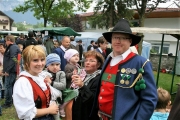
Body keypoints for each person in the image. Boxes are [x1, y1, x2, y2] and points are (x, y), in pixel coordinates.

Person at [94, 18, 158, 120]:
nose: (118, 41)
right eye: (115, 37)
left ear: (130, 41)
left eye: (123, 38)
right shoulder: (108, 59)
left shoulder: (141, 63)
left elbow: (149, 99)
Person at [13, 45, 59, 120]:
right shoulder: (23, 82)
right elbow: (26, 113)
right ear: (27, 63)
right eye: (35, 60)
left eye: (42, 59)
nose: (40, 64)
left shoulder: (41, 76)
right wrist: (49, 110)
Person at [71, 50, 104, 120]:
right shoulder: (85, 75)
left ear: (98, 65)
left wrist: (82, 86)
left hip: (88, 115)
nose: (87, 63)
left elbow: (92, 99)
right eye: (86, 60)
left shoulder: (99, 78)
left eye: (92, 61)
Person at [62, 49, 86, 119]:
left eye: (77, 55)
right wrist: (72, 74)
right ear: (69, 58)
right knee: (69, 99)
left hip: (76, 85)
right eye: (74, 56)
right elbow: (66, 75)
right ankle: (63, 106)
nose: (76, 57)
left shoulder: (78, 65)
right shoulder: (68, 66)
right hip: (71, 87)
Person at [45, 53, 66, 119]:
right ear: (47, 65)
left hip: (56, 98)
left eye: (57, 64)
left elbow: (63, 86)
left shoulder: (61, 73)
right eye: (52, 64)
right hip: (46, 97)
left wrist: (51, 82)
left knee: (55, 114)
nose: (55, 67)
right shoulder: (44, 73)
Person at [2, 35, 21, 108]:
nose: (5, 42)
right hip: (12, 70)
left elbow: (13, 59)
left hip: (10, 71)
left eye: (5, 40)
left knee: (8, 86)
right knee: (11, 86)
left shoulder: (13, 47)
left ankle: (8, 102)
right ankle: (11, 101)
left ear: (9, 40)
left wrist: (7, 70)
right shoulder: (14, 47)